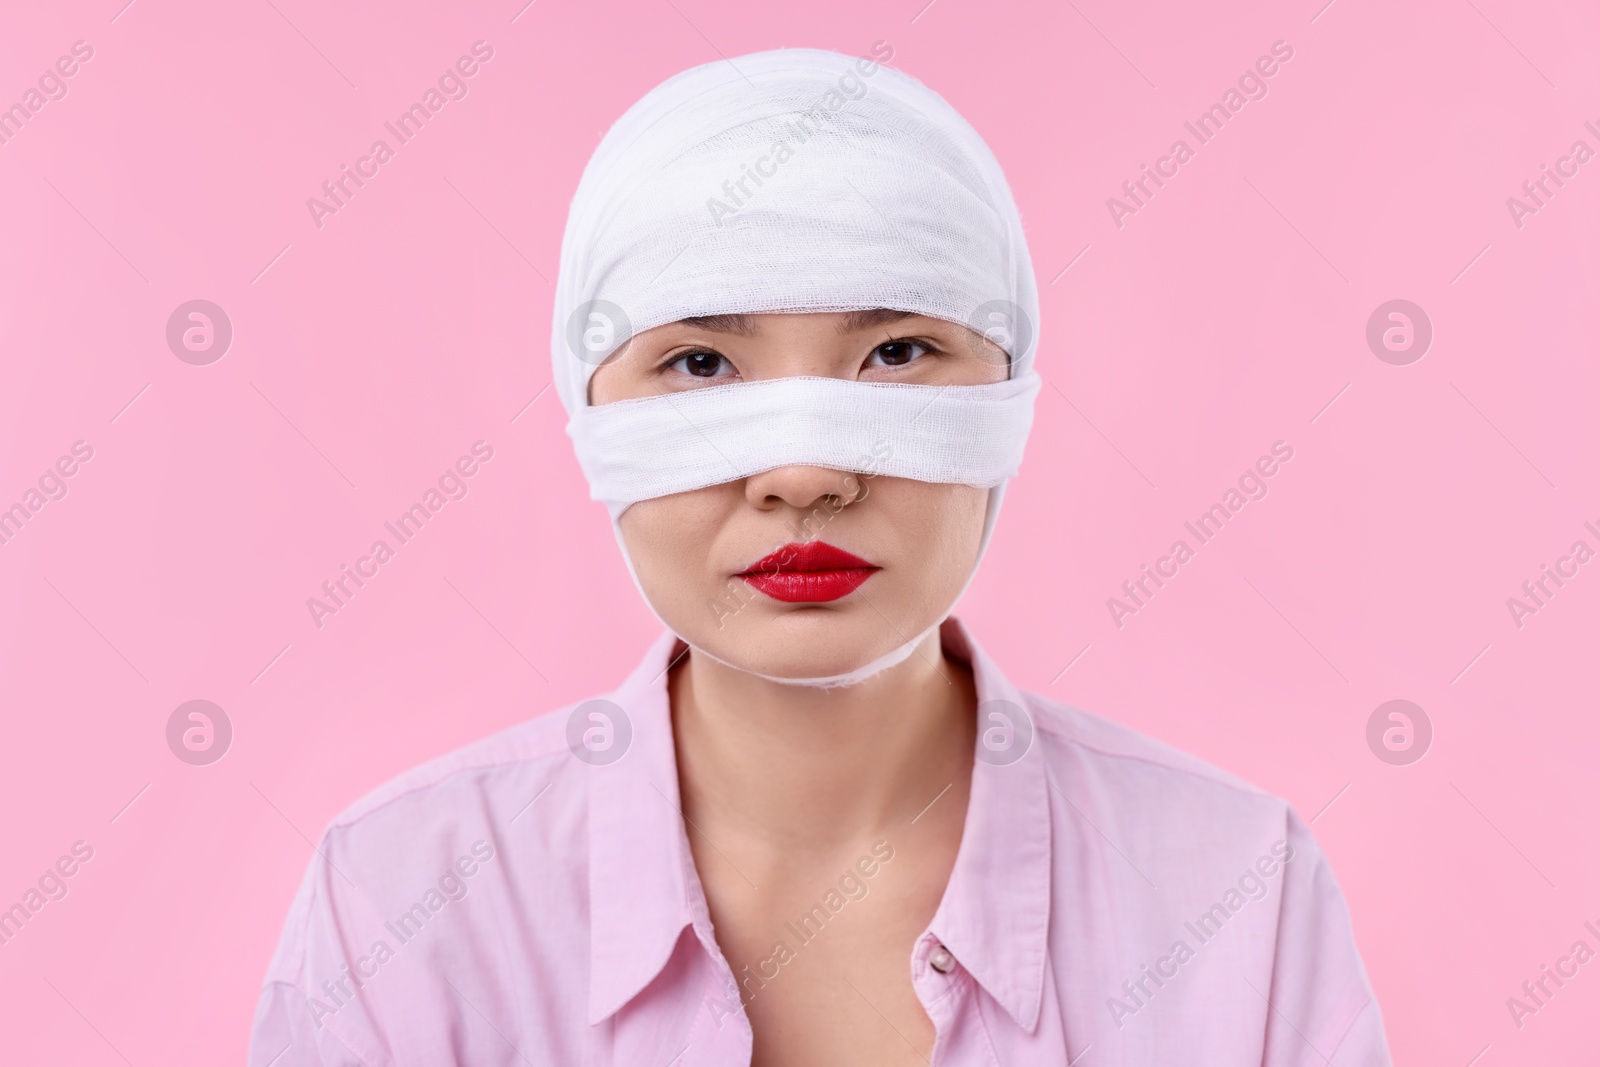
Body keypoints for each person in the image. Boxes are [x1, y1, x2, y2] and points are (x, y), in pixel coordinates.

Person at [249, 46, 1391, 1066]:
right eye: (700, 364)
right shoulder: (403, 906)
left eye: (896, 351)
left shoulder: (1241, 894)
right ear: (586, 401)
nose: (802, 474)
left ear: (1009, 390)